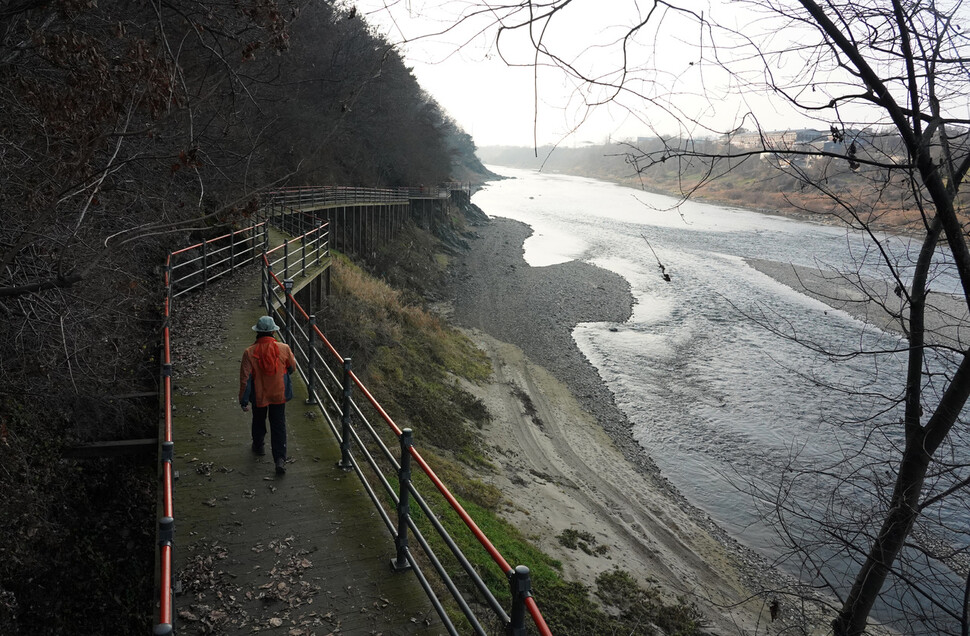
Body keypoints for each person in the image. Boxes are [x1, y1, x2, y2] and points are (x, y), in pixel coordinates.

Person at [239, 316, 297, 475]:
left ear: (257, 332)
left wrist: (243, 400)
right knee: (279, 424)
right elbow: (292, 367)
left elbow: (245, 379)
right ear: (273, 331)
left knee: (258, 420)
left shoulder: (249, 352)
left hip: (259, 395)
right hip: (279, 393)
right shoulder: (283, 348)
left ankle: (259, 446)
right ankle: (279, 459)